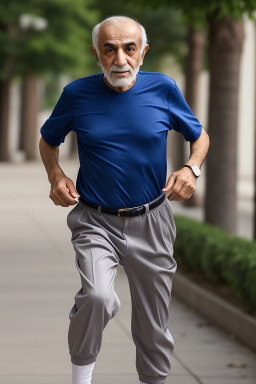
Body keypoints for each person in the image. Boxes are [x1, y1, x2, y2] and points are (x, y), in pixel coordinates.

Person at [39, 15, 210, 384]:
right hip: (94, 219)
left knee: (153, 322)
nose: (121, 59)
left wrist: (191, 169)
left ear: (143, 52)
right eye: (110, 49)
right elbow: (49, 139)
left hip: (152, 219)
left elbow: (200, 136)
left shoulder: (164, 89)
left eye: (129, 48)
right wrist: (56, 175)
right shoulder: (76, 94)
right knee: (98, 298)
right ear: (96, 54)